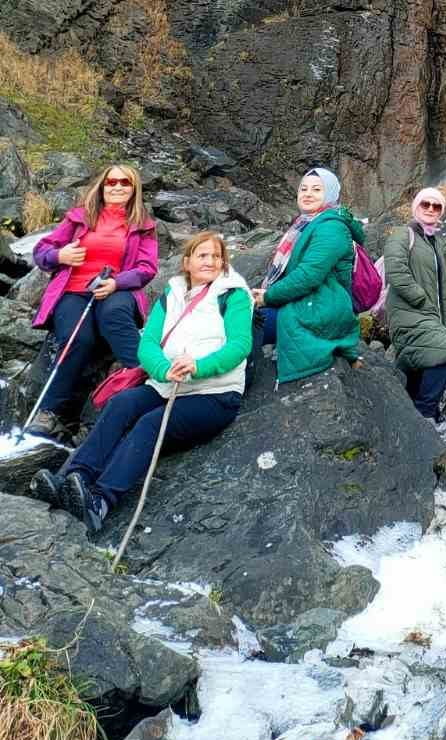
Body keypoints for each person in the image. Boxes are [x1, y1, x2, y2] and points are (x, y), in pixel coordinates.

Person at [29, 231, 252, 534]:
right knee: (122, 403)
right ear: (187, 262)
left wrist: (198, 366)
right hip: (166, 385)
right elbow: (148, 344)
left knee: (151, 423)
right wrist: (162, 370)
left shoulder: (234, 295)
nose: (210, 261)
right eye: (203, 255)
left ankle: (101, 501)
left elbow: (239, 345)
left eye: (217, 256)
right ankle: (74, 478)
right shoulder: (172, 294)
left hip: (214, 394)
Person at [28, 164, 159, 442]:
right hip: (73, 290)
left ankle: (148, 380)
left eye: (125, 182)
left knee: (114, 316)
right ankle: (50, 412)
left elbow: (147, 268)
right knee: (78, 338)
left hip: (117, 289)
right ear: (102, 186)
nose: (117, 186)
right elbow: (41, 251)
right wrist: (60, 256)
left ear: (134, 189)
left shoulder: (143, 225)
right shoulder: (78, 217)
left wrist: (117, 283)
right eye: (111, 182)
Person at [251, 168, 362, 382]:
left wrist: (268, 297)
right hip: (309, 300)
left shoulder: (331, 228)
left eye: (317, 190)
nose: (308, 194)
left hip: (323, 306)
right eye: (304, 189)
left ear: (330, 194)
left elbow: (308, 276)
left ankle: (235, 386)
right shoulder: (305, 223)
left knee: (246, 324)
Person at [385, 187, 446, 420]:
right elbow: (395, 270)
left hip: (432, 316)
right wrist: (420, 298)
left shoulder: (437, 243)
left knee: (421, 363)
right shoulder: (402, 234)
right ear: (416, 207)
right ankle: (425, 416)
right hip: (409, 310)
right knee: (441, 351)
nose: (431, 209)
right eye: (425, 204)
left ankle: (411, 419)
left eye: (437, 206)